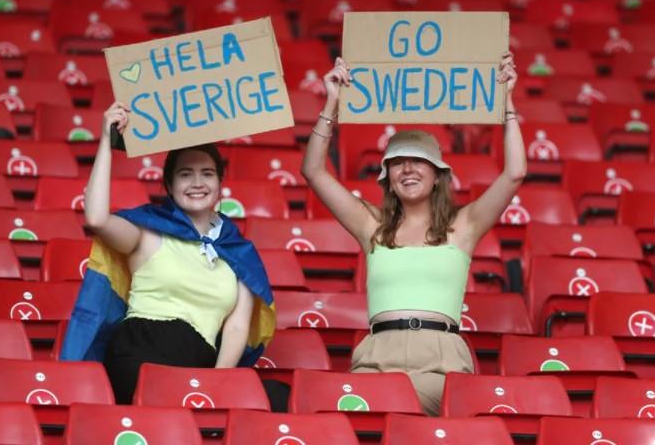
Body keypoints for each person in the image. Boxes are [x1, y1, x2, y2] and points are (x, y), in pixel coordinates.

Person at [301, 54, 526, 415]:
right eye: (397, 163)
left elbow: (514, 173)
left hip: (439, 360)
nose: (407, 169)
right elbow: (313, 171)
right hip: (377, 355)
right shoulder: (371, 226)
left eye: (418, 160)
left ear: (438, 174)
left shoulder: (463, 227)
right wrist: (331, 101)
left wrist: (508, 102)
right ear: (387, 178)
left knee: (408, 420)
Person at [60, 102, 276, 405]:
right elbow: (96, 219)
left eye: (207, 174)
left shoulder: (238, 252)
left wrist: (218, 384)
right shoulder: (148, 233)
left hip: (199, 360)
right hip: (141, 350)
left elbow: (237, 326)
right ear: (170, 186)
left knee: (276, 398)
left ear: (220, 185)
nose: (198, 183)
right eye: (186, 174)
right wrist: (106, 143)